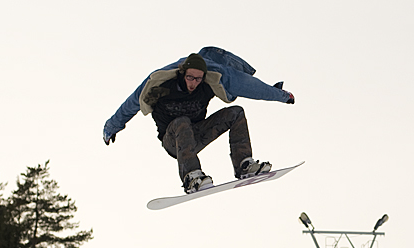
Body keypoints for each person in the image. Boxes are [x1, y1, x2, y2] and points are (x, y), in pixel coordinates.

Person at [103, 47, 294, 194]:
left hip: (198, 135)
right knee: (182, 121)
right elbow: (131, 104)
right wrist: (112, 127)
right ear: (182, 73)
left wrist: (281, 95)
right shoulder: (161, 84)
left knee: (236, 112)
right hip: (173, 141)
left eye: (198, 79)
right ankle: (191, 177)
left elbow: (248, 85)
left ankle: (244, 165)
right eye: (190, 78)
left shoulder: (210, 83)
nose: (193, 83)